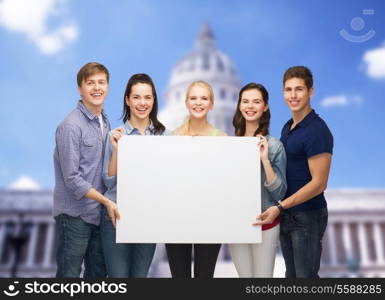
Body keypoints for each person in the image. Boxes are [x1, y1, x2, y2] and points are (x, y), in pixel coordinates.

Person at [255, 66, 333, 278]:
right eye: (288, 90)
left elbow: (319, 183)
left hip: (307, 215)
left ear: (311, 92)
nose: (293, 95)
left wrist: (280, 206)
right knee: (292, 278)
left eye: (299, 89)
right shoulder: (288, 127)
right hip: (288, 215)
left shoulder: (317, 130)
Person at [53, 62, 119, 277]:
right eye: (90, 83)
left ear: (108, 87)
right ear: (80, 88)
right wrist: (107, 201)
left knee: (97, 277)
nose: (96, 88)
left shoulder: (105, 122)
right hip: (74, 216)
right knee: (69, 277)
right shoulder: (71, 126)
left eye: (101, 82)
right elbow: (72, 178)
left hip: (98, 216)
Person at [100, 73, 166, 277]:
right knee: (118, 279)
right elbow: (109, 181)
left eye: (147, 97)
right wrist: (117, 151)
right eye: (136, 97)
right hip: (116, 216)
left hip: (148, 216)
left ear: (154, 100)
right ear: (127, 100)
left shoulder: (165, 136)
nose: (142, 103)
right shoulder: (115, 135)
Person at [166, 80, 226, 278]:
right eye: (193, 98)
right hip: (176, 217)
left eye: (204, 98)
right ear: (186, 102)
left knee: (204, 278)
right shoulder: (173, 138)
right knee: (179, 278)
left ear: (211, 104)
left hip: (210, 218)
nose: (198, 103)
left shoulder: (222, 139)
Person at [228, 83, 287, 277]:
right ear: (239, 106)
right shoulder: (228, 146)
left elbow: (279, 193)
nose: (250, 106)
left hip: (265, 224)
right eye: (245, 101)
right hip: (236, 223)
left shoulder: (274, 146)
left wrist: (265, 160)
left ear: (265, 106)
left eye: (256, 102)